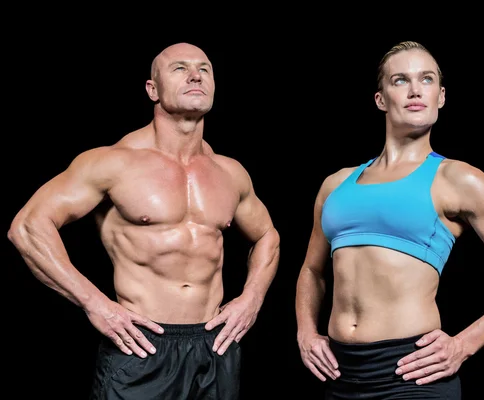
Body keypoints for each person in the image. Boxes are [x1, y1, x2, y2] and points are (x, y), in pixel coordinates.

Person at [8, 42, 280, 400]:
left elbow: (267, 236)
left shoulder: (231, 173)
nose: (196, 75)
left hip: (216, 347)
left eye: (205, 69)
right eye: (179, 69)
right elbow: (28, 227)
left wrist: (253, 297)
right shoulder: (114, 162)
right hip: (141, 347)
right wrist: (95, 303)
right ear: (153, 89)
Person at [295, 40, 484, 399]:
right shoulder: (335, 184)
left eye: (427, 79)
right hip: (339, 374)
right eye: (400, 80)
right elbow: (312, 270)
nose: (416, 90)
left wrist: (464, 343)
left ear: (441, 96)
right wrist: (306, 332)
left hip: (411, 374)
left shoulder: (458, 179)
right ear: (380, 99)